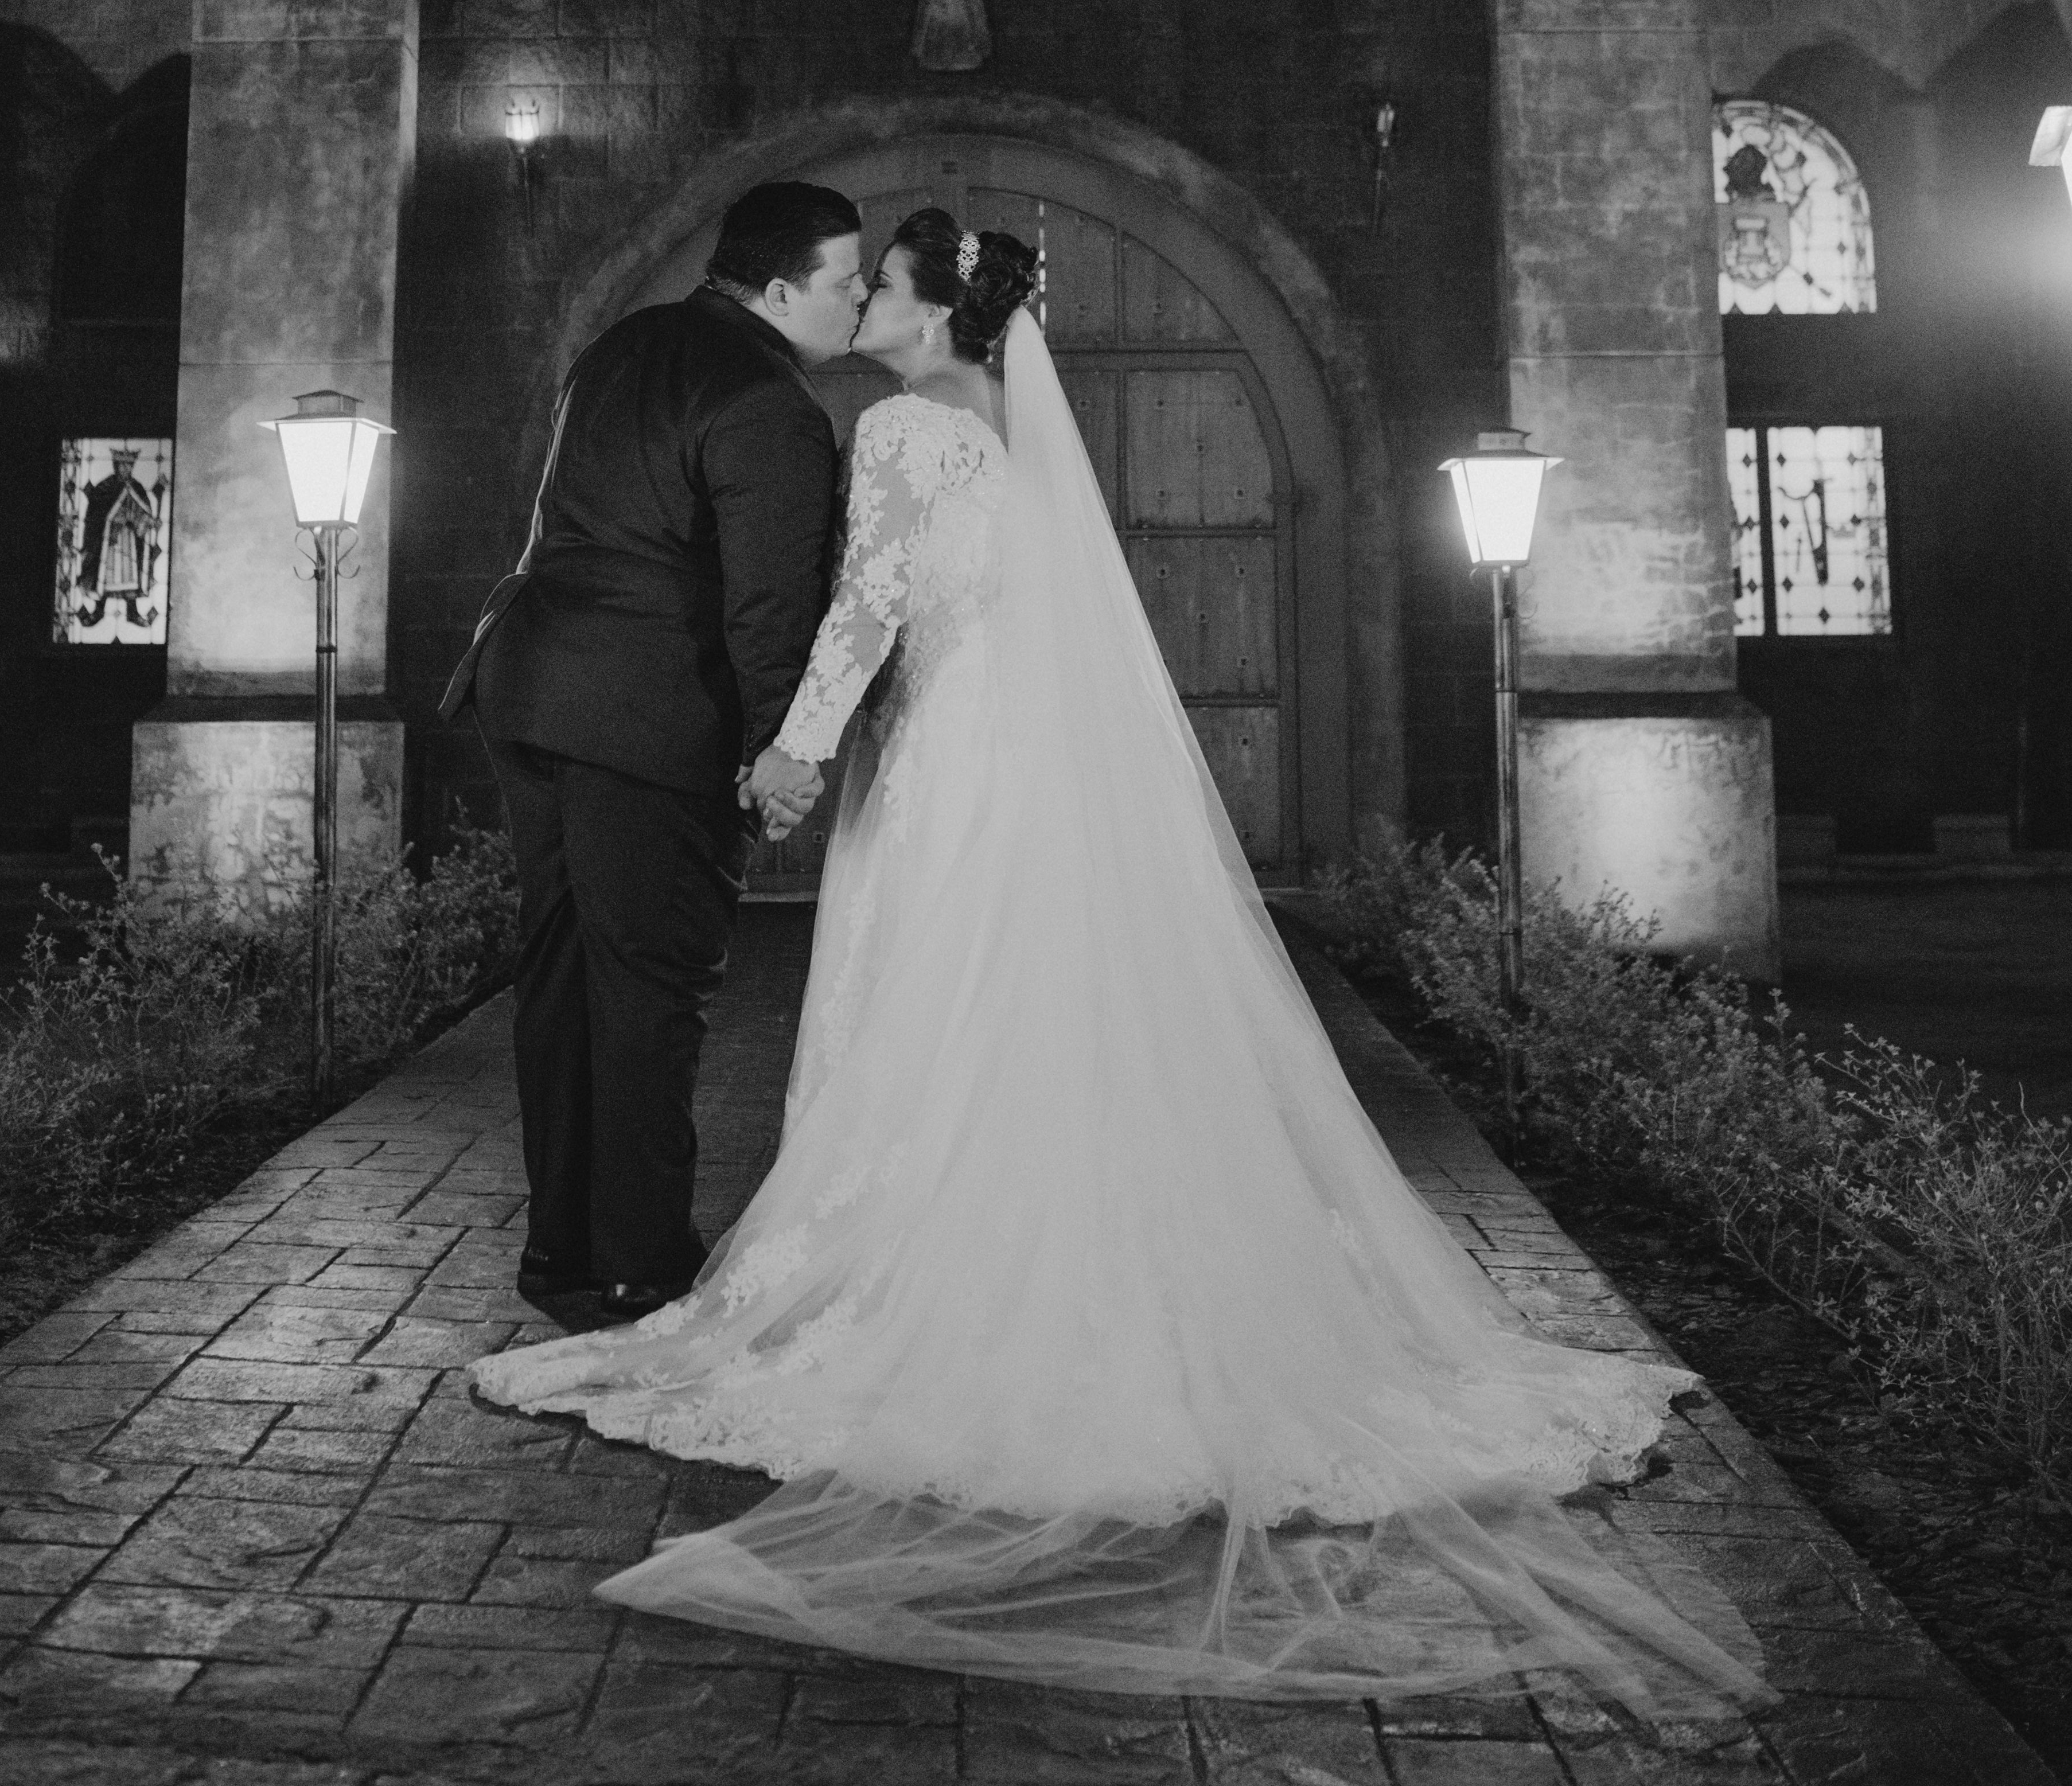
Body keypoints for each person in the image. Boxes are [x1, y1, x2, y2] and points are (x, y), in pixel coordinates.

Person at [474, 211, 1765, 1716]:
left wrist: (795, 749)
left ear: (931, 312)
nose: (859, 298)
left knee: (941, 1014)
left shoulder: (892, 423)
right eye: (848, 278)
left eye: (879, 283)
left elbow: (864, 608)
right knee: (1027, 1016)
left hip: (935, 759)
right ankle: (1051, 1254)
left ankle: (898, 1270)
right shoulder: (1007, 426)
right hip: (1015, 754)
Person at [442, 178, 862, 1328]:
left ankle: (562, 1252)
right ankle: (638, 1261)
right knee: (650, 989)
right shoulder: (771, 402)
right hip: (645, 718)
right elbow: (770, 604)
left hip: (529, 687)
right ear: (780, 290)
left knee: (562, 977)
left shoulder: (622, 345)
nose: (857, 299)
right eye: (844, 280)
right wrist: (782, 748)